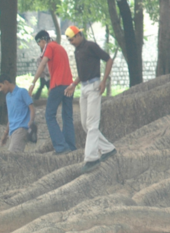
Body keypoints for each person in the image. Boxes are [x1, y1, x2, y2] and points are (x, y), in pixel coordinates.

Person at [64, 25, 117, 173]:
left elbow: (108, 60)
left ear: (79, 35)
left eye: (72, 39)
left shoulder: (91, 46)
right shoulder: (77, 51)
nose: (71, 42)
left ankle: (91, 158)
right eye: (69, 40)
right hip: (84, 87)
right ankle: (108, 148)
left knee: (92, 124)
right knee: (85, 124)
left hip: (94, 85)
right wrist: (73, 84)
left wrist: (104, 81)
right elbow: (82, 72)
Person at [29, 30, 76, 154]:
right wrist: (50, 86)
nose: (40, 46)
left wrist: (33, 83)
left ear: (42, 40)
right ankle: (71, 146)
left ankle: (61, 146)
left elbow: (42, 65)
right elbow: (57, 68)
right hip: (69, 85)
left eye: (39, 44)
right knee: (67, 117)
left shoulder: (49, 47)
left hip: (58, 85)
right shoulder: (60, 48)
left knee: (49, 116)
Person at [0, 74, 34, 152]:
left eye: (0, 86)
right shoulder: (8, 97)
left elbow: (32, 108)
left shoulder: (22, 92)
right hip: (12, 131)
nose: (0, 89)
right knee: (16, 156)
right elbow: (10, 117)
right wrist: (5, 134)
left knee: (12, 155)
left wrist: (30, 122)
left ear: (6, 82)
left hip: (21, 129)